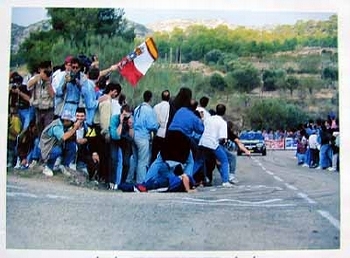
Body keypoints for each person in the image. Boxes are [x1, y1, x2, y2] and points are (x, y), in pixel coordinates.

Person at [194, 104, 232, 187]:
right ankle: (225, 181)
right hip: (213, 143)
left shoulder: (208, 119)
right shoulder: (222, 123)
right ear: (224, 112)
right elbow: (222, 139)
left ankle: (189, 177)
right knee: (224, 160)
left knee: (199, 161)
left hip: (202, 142)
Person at [93, 82, 122, 184]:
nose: (116, 94)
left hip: (98, 129)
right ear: (113, 91)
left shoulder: (103, 98)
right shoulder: (106, 102)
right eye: (116, 92)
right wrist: (106, 133)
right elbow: (104, 120)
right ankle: (102, 178)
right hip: (100, 131)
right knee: (104, 156)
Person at [39, 110, 81, 177]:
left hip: (57, 144)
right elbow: (63, 137)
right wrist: (74, 128)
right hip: (47, 147)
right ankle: (48, 167)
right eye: (70, 121)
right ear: (65, 121)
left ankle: (64, 165)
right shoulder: (57, 126)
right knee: (57, 151)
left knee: (72, 146)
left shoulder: (66, 126)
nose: (72, 123)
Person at [132, 90, 159, 184]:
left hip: (134, 135)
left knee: (134, 159)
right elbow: (152, 125)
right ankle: (141, 182)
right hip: (143, 137)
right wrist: (157, 125)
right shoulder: (149, 110)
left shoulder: (137, 108)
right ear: (150, 98)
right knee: (143, 161)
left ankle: (130, 179)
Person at [27, 61, 54, 135]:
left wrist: (47, 82)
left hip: (49, 109)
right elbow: (28, 86)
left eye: (47, 70)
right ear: (40, 70)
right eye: (44, 70)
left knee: (47, 130)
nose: (46, 72)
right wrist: (38, 77)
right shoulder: (35, 78)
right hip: (38, 108)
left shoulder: (52, 79)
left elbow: (53, 95)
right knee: (39, 128)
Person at [151, 90, 171, 163]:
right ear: (169, 97)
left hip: (156, 134)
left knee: (154, 156)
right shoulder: (170, 107)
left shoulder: (156, 107)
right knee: (163, 159)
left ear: (161, 97)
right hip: (165, 135)